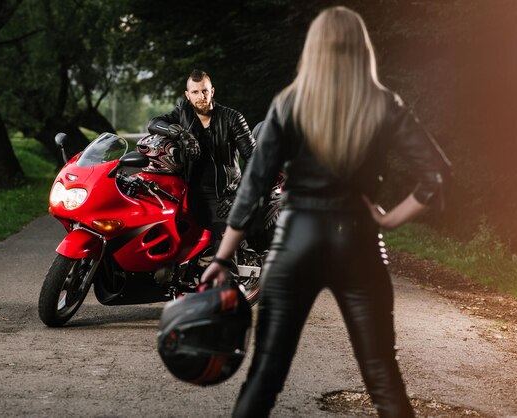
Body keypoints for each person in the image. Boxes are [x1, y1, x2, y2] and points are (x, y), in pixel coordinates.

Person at [201, 6, 451, 418]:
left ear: (313, 49)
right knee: (384, 382)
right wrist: (389, 219)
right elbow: (437, 175)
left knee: (264, 378)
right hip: (359, 242)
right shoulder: (383, 103)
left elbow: (253, 188)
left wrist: (224, 256)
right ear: (361, 49)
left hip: (296, 238)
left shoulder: (289, 103)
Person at [147, 69, 255, 246]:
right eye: (195, 92)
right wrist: (181, 133)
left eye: (204, 91)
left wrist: (237, 195)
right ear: (187, 95)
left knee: (223, 252)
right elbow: (153, 123)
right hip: (189, 193)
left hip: (222, 196)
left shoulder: (232, 118)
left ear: (212, 91)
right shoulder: (183, 114)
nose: (201, 96)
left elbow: (255, 160)